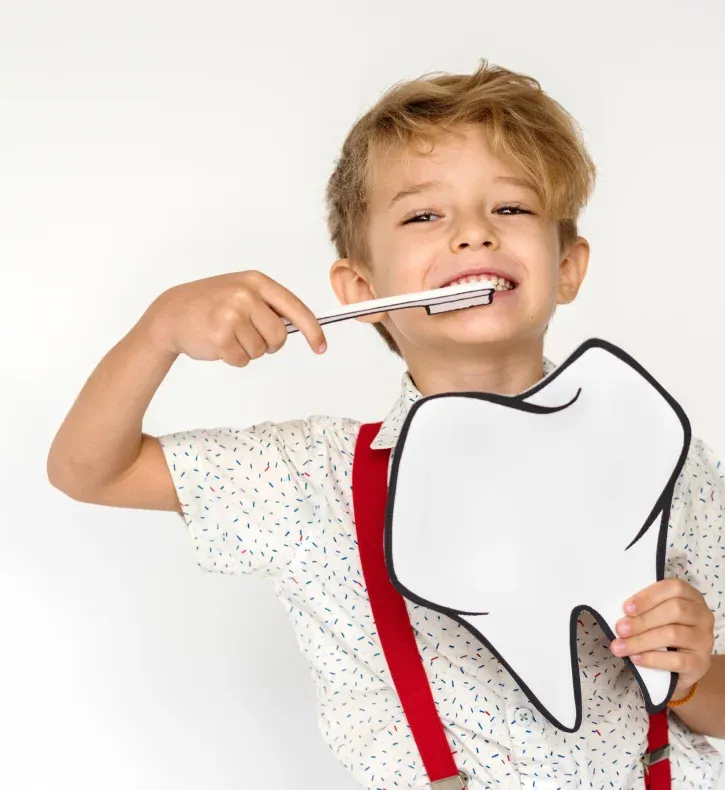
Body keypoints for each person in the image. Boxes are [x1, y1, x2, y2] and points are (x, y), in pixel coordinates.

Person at [47, 59, 724, 789]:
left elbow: (714, 709)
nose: (472, 235)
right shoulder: (313, 478)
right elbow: (90, 469)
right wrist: (158, 332)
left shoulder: (660, 457)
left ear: (567, 265)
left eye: (511, 208)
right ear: (361, 290)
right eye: (423, 215)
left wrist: (688, 675)